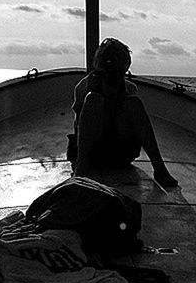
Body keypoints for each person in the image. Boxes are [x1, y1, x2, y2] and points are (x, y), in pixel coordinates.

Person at [71, 38, 178, 188]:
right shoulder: (85, 87)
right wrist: (91, 97)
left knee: (133, 103)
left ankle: (159, 168)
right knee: (93, 99)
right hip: (93, 153)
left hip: (122, 151)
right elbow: (79, 126)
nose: (112, 75)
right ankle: (81, 168)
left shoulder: (129, 89)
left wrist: (119, 99)